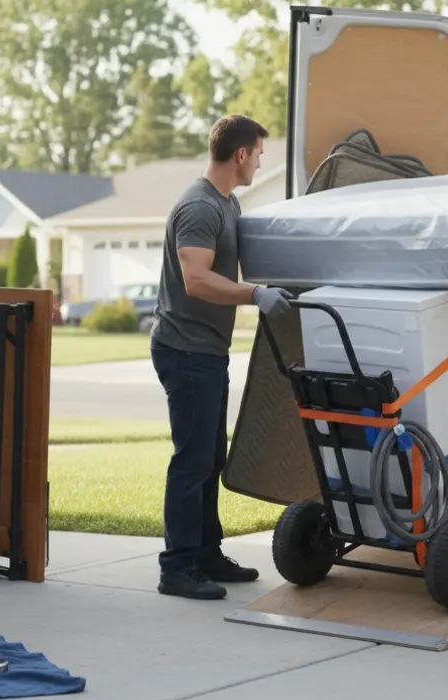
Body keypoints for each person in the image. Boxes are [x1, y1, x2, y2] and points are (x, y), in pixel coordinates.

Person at [150, 114, 294, 601]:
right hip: (185, 350)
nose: (259, 163)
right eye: (258, 154)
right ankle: (177, 568)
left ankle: (206, 554)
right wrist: (255, 296)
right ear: (240, 155)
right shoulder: (199, 207)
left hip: (205, 351)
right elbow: (196, 280)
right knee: (191, 462)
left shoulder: (227, 204)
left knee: (210, 457)